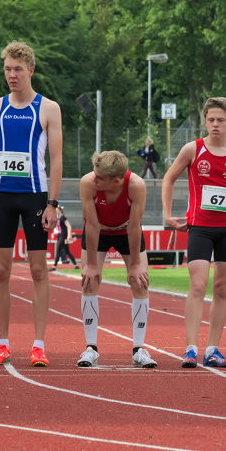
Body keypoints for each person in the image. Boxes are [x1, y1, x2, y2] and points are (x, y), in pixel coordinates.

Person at [0, 41, 63, 367]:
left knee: (39, 270)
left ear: (31, 70)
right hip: (2, 196)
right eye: (8, 69)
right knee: (0, 270)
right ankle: (2, 344)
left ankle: (38, 345)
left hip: (36, 196)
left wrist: (53, 203)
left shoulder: (48, 108)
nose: (12, 75)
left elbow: (56, 159)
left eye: (17, 69)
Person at [161, 97, 226, 368]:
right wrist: (167, 214)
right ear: (205, 122)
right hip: (199, 227)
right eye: (211, 120)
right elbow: (169, 178)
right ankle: (190, 348)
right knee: (198, 285)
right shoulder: (193, 150)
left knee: (222, 288)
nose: (215, 124)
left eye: (220, 120)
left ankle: (212, 349)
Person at [77, 150, 156, 368]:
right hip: (99, 231)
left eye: (100, 177)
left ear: (117, 180)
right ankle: (90, 348)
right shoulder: (88, 183)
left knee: (140, 282)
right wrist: (92, 265)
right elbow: (91, 225)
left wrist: (135, 266)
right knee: (89, 281)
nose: (94, 178)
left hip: (126, 231)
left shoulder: (136, 185)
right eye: (95, 173)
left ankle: (139, 348)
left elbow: (134, 226)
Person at [51, 206, 78, 271]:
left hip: (63, 236)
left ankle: (54, 266)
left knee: (58, 250)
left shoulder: (63, 217)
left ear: (60, 210)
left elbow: (69, 226)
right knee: (67, 252)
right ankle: (76, 265)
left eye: (57, 210)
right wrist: (53, 233)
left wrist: (68, 236)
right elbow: (58, 228)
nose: (56, 211)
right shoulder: (58, 218)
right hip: (60, 235)